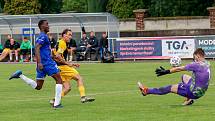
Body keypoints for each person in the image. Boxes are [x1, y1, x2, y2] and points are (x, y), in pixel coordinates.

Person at [9, 20, 63, 109]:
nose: (48, 26)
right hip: (46, 63)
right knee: (59, 80)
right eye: (47, 24)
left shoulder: (41, 37)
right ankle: (57, 104)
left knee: (38, 86)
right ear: (42, 26)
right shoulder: (43, 36)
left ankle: (20, 75)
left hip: (41, 63)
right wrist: (40, 62)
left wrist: (40, 62)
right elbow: (37, 48)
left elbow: (42, 49)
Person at [138, 48, 210, 106]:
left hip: (192, 92)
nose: (195, 60)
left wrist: (166, 71)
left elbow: (179, 69)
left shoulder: (196, 65)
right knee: (184, 76)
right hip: (201, 92)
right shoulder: (207, 63)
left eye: (195, 58)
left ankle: (146, 91)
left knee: (169, 88)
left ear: (198, 56)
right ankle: (189, 99)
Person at [51, 29, 95, 104]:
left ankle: (54, 100)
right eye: (69, 35)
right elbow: (58, 56)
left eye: (71, 35)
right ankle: (83, 97)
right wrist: (68, 64)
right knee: (79, 78)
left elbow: (54, 55)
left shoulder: (59, 42)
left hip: (57, 68)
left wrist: (71, 64)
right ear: (64, 35)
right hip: (62, 67)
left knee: (67, 88)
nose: (70, 37)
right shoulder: (62, 43)